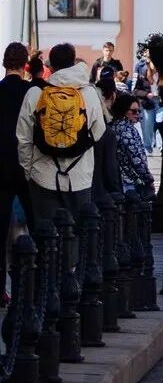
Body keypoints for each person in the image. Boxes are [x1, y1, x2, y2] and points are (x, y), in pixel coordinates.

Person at [17, 43, 106, 223]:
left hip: (43, 175)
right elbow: (99, 132)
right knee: (79, 236)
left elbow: (23, 138)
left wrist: (28, 171)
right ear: (73, 62)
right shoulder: (89, 93)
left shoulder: (36, 93)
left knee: (45, 238)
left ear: (50, 66)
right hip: (80, 177)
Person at [0, 43, 37, 284]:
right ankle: (36, 282)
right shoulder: (32, 92)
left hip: (1, 167)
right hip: (28, 165)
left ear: (4, 63)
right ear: (25, 65)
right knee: (35, 223)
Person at [108, 93, 154, 197]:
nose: (137, 114)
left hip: (120, 179)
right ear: (123, 110)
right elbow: (136, 158)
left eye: (138, 111)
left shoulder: (114, 126)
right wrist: (149, 179)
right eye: (133, 111)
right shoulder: (126, 130)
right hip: (130, 181)